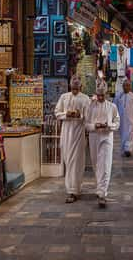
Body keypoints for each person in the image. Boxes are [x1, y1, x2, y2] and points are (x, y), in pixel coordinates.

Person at [55, 75, 90, 203]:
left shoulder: (85, 99)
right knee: (68, 161)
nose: (75, 89)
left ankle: (74, 190)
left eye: (77, 87)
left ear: (80, 87)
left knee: (77, 162)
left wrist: (80, 115)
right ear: (70, 86)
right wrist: (66, 114)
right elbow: (57, 112)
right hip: (66, 133)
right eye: (73, 87)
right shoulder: (64, 97)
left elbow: (88, 116)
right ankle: (72, 189)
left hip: (79, 134)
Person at [86, 81, 120, 208]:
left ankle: (102, 194)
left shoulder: (112, 107)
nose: (100, 98)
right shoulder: (90, 107)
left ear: (106, 94)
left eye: (102, 95)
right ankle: (99, 187)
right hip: (94, 138)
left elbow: (117, 122)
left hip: (106, 138)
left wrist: (109, 126)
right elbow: (86, 124)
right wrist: (95, 126)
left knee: (105, 165)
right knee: (96, 164)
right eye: (98, 95)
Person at [114, 79, 133, 157]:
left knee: (130, 135)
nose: (126, 87)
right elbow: (114, 108)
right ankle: (125, 149)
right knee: (123, 135)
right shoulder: (118, 96)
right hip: (122, 121)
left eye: (127, 85)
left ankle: (128, 150)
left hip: (131, 120)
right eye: (124, 85)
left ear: (130, 87)